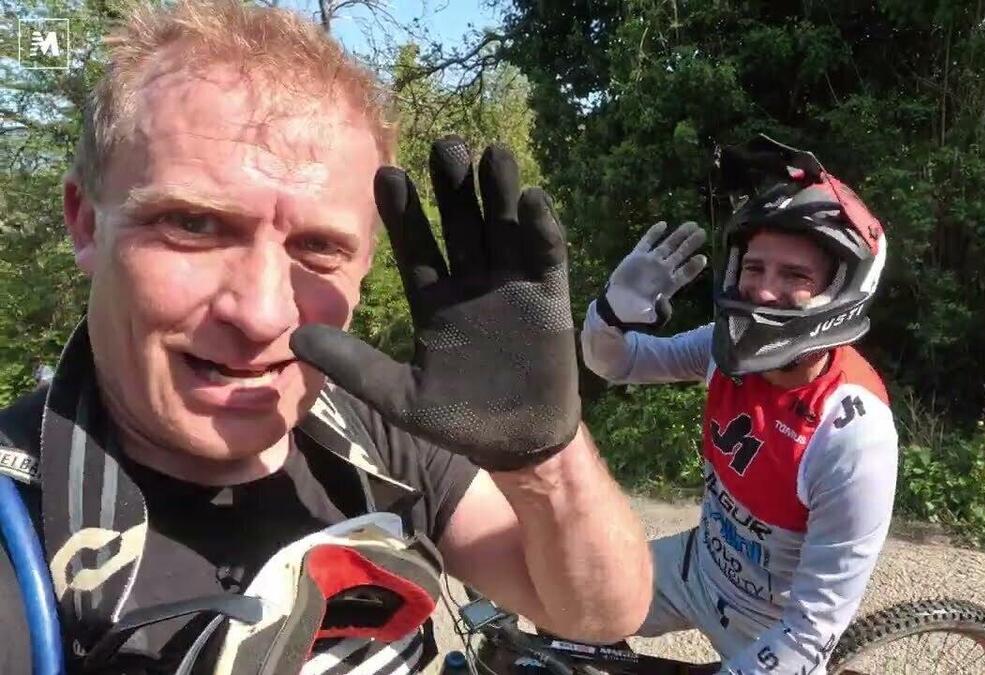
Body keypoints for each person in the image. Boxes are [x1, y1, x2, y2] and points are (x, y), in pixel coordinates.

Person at [0, 0, 652, 672]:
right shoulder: (15, 525)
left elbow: (595, 613)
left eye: (318, 247)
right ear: (86, 223)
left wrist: (544, 461)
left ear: (366, 264)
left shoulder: (377, 431)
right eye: (193, 225)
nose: (260, 314)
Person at [581, 135, 898, 675]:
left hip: (771, 626)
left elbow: (811, 632)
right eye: (754, 268)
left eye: (795, 275)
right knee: (565, 597)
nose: (764, 292)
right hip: (698, 569)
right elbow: (618, 363)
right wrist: (611, 313)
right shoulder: (723, 350)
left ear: (842, 290)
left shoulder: (853, 436)